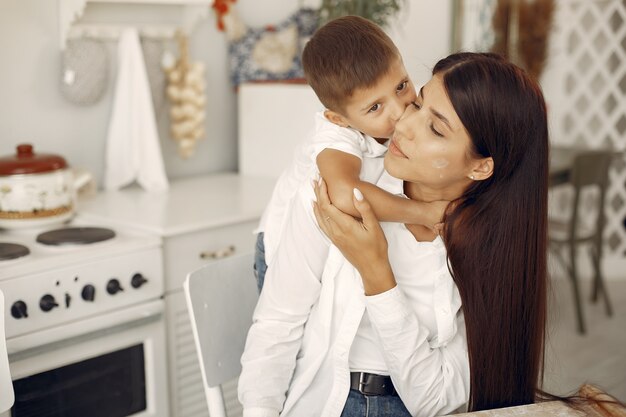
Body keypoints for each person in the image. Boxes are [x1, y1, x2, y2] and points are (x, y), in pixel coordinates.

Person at [239, 52, 549, 417]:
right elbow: (278, 324)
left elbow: (433, 397)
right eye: (417, 103)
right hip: (323, 402)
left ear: (480, 166)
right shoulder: (341, 190)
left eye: (435, 128)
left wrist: (377, 273)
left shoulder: (493, 247)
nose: (403, 125)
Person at [253, 16, 447, 292]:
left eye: (401, 86)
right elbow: (344, 194)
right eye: (375, 108)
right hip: (281, 250)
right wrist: (423, 213)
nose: (399, 110)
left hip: (329, 244)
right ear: (340, 118)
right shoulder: (334, 134)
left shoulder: (399, 105)